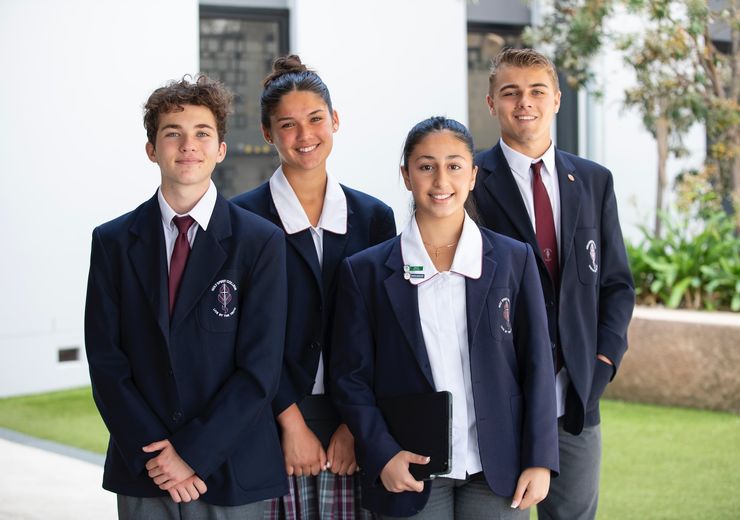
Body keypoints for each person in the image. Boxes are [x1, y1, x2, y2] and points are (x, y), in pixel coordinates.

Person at [330, 116, 559, 519]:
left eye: (454, 166)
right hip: (409, 464)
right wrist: (383, 454)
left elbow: (538, 365)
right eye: (425, 166)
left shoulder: (512, 259)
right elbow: (350, 378)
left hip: (497, 466)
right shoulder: (364, 271)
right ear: (406, 175)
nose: (441, 180)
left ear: (472, 175)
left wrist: (540, 458)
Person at [84, 75, 289, 519]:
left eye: (202, 134)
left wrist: (191, 453)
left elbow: (260, 369)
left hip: (232, 466)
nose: (187, 146)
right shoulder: (113, 242)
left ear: (220, 149)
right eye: (172, 134)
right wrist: (159, 457)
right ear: (151, 150)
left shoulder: (260, 243)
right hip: (145, 467)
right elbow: (106, 361)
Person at [471, 47, 636, 519]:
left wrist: (603, 360)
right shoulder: (470, 180)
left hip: (577, 396)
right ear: (491, 103)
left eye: (537, 91)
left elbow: (616, 284)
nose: (525, 102)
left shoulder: (593, 180)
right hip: (502, 394)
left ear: (557, 99)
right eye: (510, 93)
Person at [232, 55, 396, 519]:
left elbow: (385, 330)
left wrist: (353, 424)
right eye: (287, 124)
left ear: (335, 120)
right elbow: (243, 336)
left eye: (316, 119)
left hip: (354, 417)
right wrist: (291, 422)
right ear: (267, 134)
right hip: (270, 416)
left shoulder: (374, 218)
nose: (305, 136)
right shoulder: (240, 220)